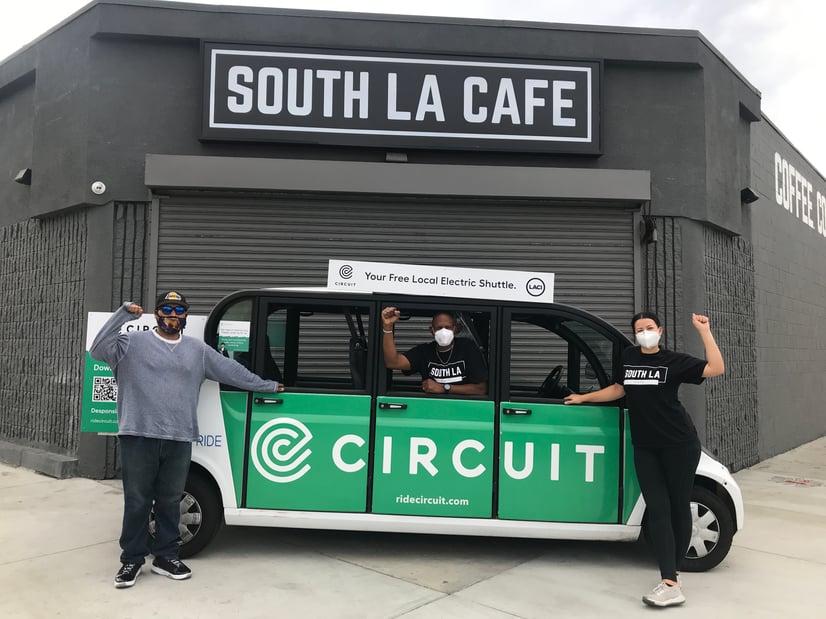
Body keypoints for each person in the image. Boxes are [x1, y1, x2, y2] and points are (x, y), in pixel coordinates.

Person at [90, 291, 284, 589]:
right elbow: (97, 348)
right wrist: (124, 314)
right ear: (156, 314)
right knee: (138, 501)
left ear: (185, 315)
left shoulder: (198, 351)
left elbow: (232, 371)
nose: (173, 314)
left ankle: (167, 556)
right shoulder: (131, 344)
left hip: (179, 437)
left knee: (170, 500)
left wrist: (267, 386)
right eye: (166, 308)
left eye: (179, 309)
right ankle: (131, 559)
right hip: (138, 435)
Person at [564, 311, 724, 608]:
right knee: (658, 508)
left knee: (678, 506)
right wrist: (584, 398)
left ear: (660, 331)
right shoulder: (629, 356)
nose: (645, 332)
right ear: (635, 334)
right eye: (640, 329)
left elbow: (716, 367)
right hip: (646, 446)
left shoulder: (673, 361)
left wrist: (705, 331)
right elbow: (619, 388)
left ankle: (671, 579)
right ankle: (670, 581)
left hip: (679, 444)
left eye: (649, 328)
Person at [381, 306, 487, 395]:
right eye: (439, 328)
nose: (444, 331)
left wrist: (444, 388)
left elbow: (481, 389)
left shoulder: (467, 348)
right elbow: (392, 362)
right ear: (432, 330)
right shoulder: (424, 352)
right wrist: (388, 327)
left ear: (455, 329)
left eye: (448, 327)